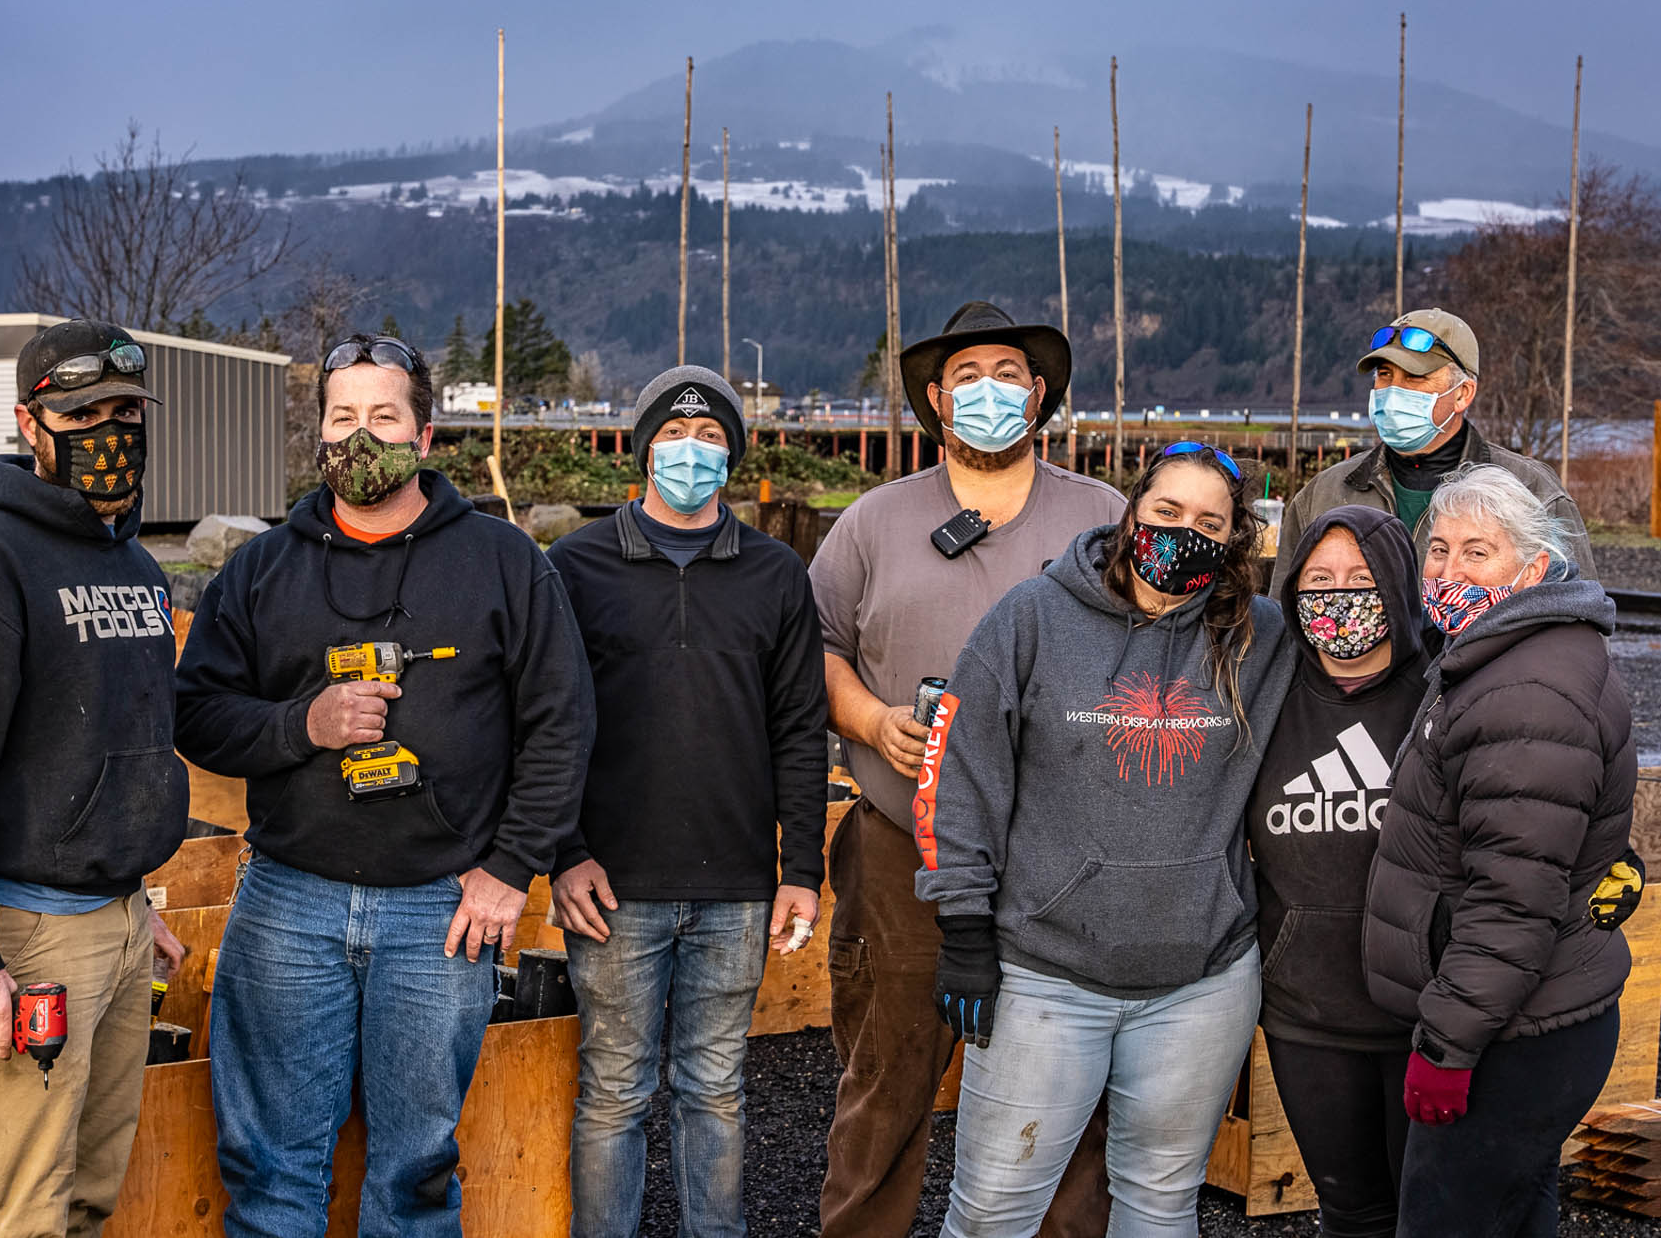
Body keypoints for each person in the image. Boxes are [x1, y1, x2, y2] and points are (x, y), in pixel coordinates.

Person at [174, 333, 594, 1238]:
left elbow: (561, 724)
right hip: (289, 899)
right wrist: (304, 725)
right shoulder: (259, 570)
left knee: (413, 1177)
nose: (361, 436)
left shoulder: (504, 562)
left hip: (438, 910)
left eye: (384, 416)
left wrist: (510, 865)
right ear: (319, 434)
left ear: (427, 434)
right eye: (342, 418)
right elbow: (196, 712)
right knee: (272, 1172)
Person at [916, 442, 1295, 1237]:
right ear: (1132, 513)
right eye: (1166, 512)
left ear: (1233, 541)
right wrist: (963, 925)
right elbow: (961, 776)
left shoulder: (1259, 638)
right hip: (1046, 978)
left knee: (1160, 1205)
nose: (1183, 532)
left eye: (1209, 522)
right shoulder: (1031, 617)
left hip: (1201, 981)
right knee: (991, 1211)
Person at [809, 300, 1126, 1238]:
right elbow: (810, 651)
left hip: (1060, 863)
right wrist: (870, 718)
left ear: (1039, 394)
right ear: (937, 401)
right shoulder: (871, 523)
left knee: (1070, 1102)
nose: (989, 392)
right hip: (904, 851)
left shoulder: (1102, 517)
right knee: (886, 1088)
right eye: (967, 377)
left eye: (1008, 374)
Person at [0, 318, 189, 1237]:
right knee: (14, 1211)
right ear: (31, 423)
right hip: (23, 946)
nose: (111, 432)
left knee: (91, 1198)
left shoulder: (136, 564)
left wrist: (134, 903)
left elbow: (121, 741)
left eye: (125, 411)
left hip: (119, 926)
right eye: (84, 412)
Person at [545, 366, 829, 1238]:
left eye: (711, 439)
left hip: (736, 885)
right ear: (642, 450)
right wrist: (561, 850)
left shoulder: (777, 575)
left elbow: (800, 729)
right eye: (674, 435)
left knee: (715, 1089)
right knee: (615, 1091)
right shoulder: (573, 566)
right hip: (611, 884)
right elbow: (542, 724)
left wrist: (802, 870)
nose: (692, 452)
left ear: (734, 457)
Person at [1364, 463, 1635, 1238]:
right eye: (1439, 550)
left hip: (1515, 1033)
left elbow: (1511, 898)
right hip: (1530, 1015)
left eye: (1478, 552)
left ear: (1534, 567)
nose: (1450, 570)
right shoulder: (1504, 655)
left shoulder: (1523, 687)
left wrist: (1447, 1047)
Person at [1246, 505, 1436, 1238]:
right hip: (1310, 1016)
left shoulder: (1444, 689)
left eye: (1361, 577)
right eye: (1319, 578)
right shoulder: (1266, 695)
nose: (1339, 593)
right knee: (1353, 1214)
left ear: (1398, 582)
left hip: (1424, 1018)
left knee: (1436, 1214)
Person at [1273, 309, 1595, 585]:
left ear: (1462, 394)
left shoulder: (1531, 489)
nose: (1393, 390)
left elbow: (1577, 625)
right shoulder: (1323, 495)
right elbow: (1285, 627)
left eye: (1414, 377)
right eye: (1385, 375)